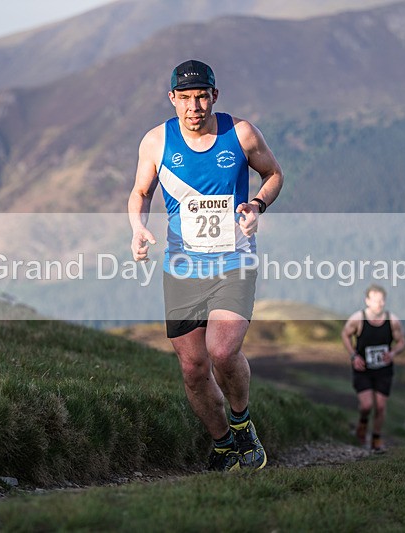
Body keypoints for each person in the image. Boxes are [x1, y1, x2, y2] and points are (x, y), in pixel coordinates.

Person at [128, 59, 284, 471]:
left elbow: (273, 174)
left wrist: (257, 205)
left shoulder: (241, 133)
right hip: (181, 269)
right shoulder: (156, 142)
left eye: (202, 97)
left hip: (234, 261)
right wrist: (137, 228)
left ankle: (241, 423)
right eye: (185, 98)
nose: (194, 106)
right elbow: (141, 192)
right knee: (193, 368)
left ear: (214, 95)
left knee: (221, 350)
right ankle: (222, 446)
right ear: (172, 99)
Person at [341, 285, 405, 451]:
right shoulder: (358, 318)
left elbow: (402, 341)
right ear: (367, 301)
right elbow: (345, 334)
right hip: (363, 369)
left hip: (384, 370)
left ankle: (376, 438)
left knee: (381, 406)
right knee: (366, 405)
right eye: (376, 300)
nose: (379, 304)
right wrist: (353, 356)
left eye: (382, 300)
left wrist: (392, 353)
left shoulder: (393, 321)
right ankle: (363, 423)